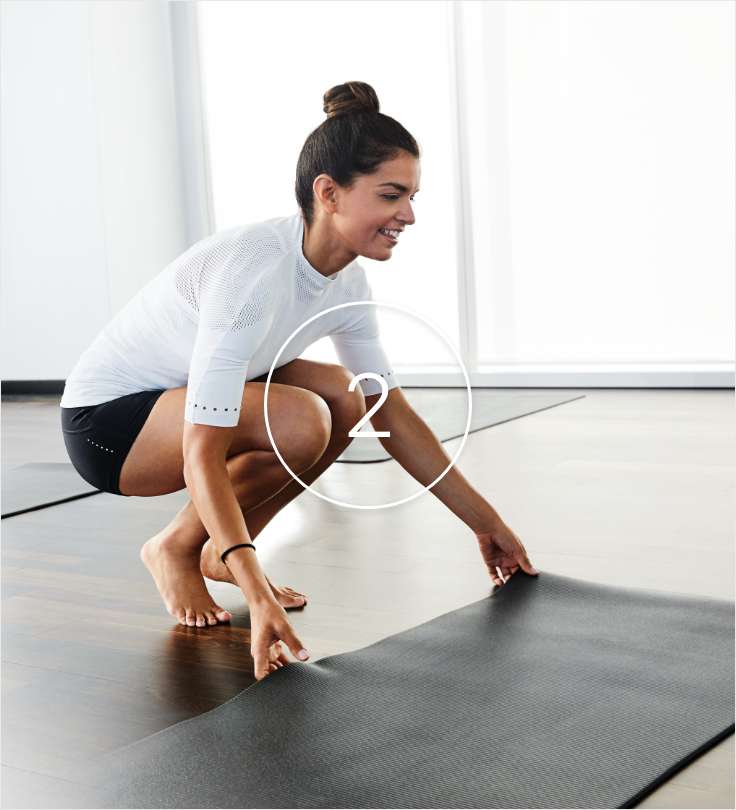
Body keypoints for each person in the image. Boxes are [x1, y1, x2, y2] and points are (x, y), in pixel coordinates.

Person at [60, 81, 539, 682]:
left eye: (413, 197)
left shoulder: (348, 282)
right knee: (301, 417)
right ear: (329, 193)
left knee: (345, 392)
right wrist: (258, 595)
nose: (409, 215)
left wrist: (487, 523)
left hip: (178, 408)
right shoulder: (251, 272)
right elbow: (200, 450)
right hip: (108, 427)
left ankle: (215, 553)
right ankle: (180, 551)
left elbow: (387, 412)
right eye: (392, 195)